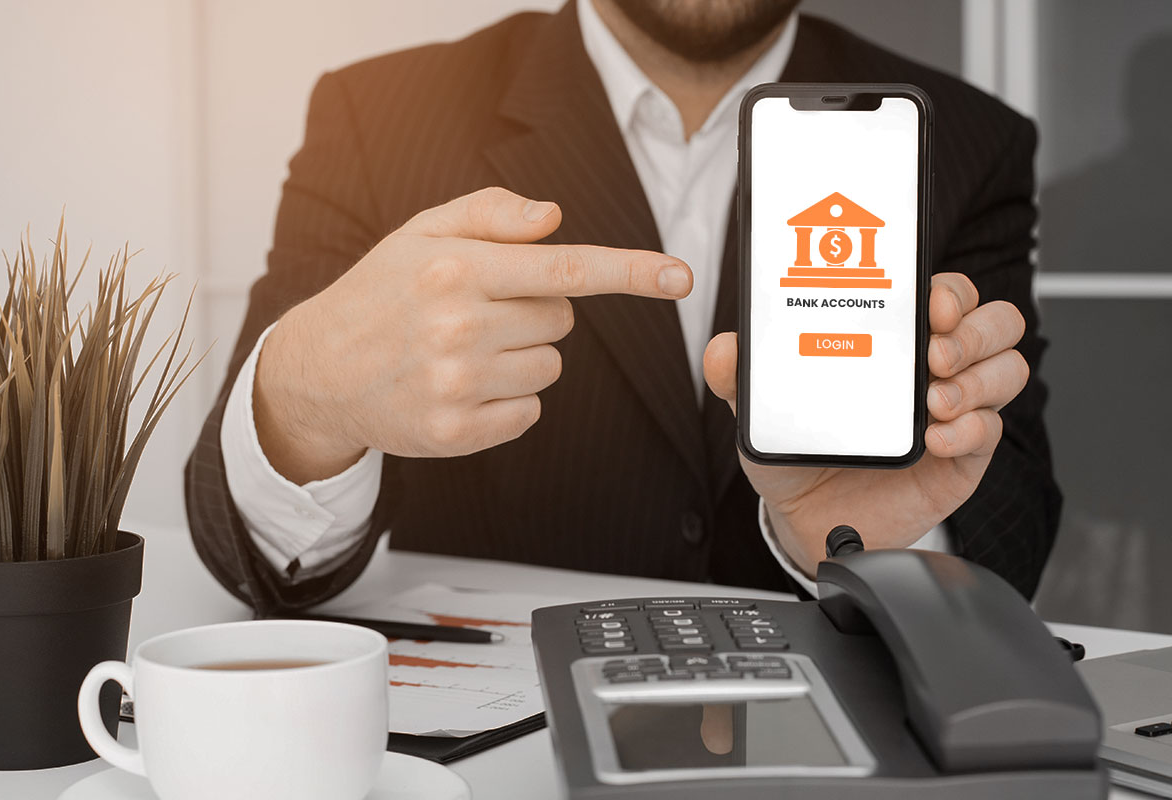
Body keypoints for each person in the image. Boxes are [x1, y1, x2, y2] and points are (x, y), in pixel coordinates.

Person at [186, 0, 1059, 614]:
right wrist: (307, 395)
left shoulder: (970, 141)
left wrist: (868, 552)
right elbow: (256, 556)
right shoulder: (377, 116)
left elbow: (1011, 535)